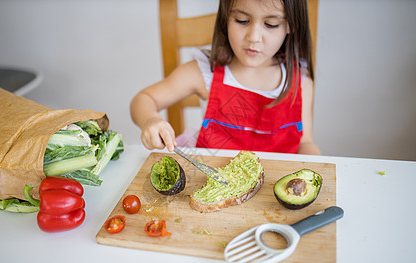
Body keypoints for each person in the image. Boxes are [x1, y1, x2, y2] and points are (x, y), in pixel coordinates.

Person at [130, 0, 321, 155]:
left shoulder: (301, 83)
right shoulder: (205, 72)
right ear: (226, 17)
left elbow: (305, 143)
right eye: (241, 20)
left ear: (291, 25)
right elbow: (144, 99)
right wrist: (151, 120)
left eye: (271, 24)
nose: (254, 37)